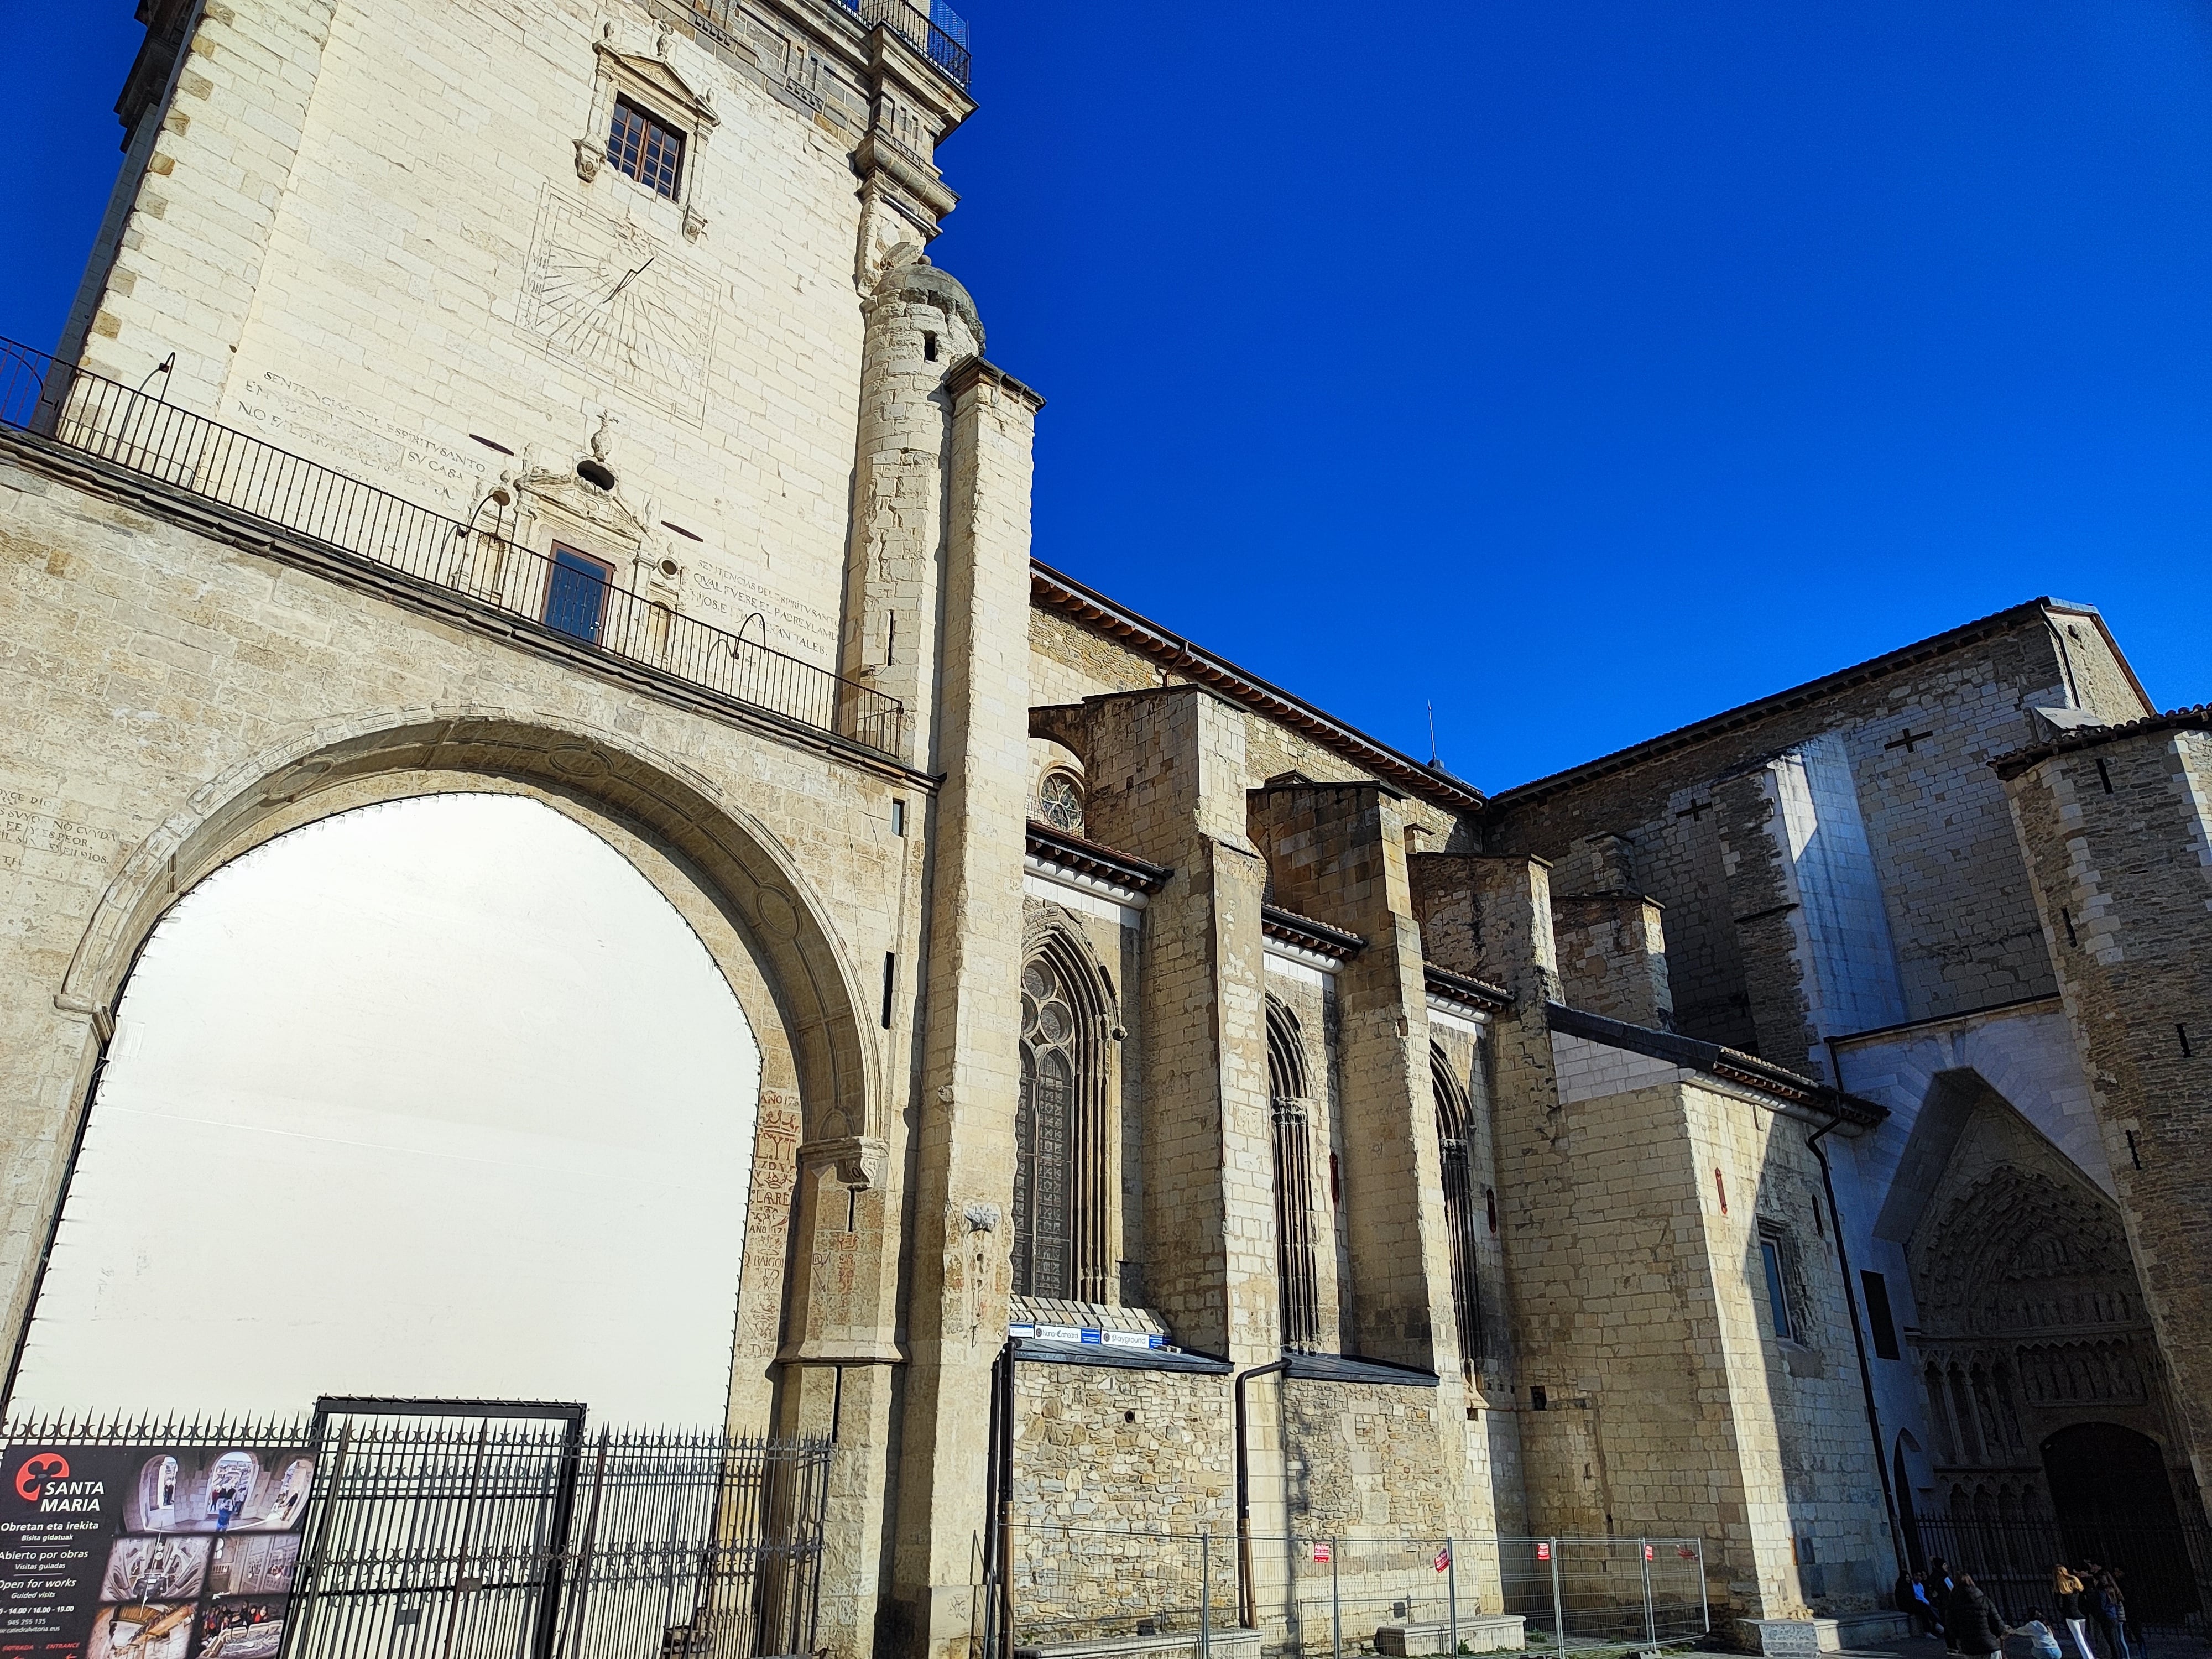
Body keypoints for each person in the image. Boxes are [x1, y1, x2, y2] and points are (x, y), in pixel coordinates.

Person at [1952, 1573, 2009, 1658]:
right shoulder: (1984, 1600)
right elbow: (1999, 1625)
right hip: (1990, 1646)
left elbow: (1952, 1628)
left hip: (1969, 1648)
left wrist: (1962, 1638)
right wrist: (1993, 1637)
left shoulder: (1953, 1604)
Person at [2052, 1566, 2095, 1659]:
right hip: (2081, 1613)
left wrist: (2063, 1611)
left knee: (2079, 1639)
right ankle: (2090, 1656)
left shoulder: (2060, 1586)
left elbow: (2059, 1604)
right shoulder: (2074, 1581)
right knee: (2083, 1638)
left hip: (2070, 1615)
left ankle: (2087, 1657)